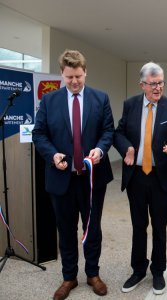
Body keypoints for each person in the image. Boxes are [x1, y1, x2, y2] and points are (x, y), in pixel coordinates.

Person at [32, 49, 114, 300]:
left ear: (85, 72)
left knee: (92, 228)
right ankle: (69, 277)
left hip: (92, 179)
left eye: (78, 76)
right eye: (69, 77)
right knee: (66, 229)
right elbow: (39, 134)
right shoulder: (49, 101)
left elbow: (108, 131)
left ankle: (92, 274)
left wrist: (100, 150)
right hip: (61, 179)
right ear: (62, 74)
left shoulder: (100, 99)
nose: (74, 82)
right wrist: (52, 154)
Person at [114, 62, 167, 295]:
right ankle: (138, 269)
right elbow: (119, 133)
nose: (158, 88)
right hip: (136, 176)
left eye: (161, 82)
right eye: (153, 84)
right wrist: (127, 149)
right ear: (142, 84)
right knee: (138, 226)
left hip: (161, 176)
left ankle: (158, 271)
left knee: (160, 227)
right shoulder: (130, 105)